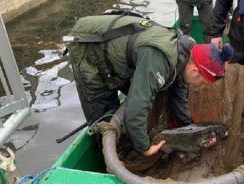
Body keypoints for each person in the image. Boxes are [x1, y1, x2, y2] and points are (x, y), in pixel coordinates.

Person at [65, 14, 233, 157]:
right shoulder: (158, 59)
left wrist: (190, 130)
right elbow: (136, 107)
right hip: (88, 47)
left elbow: (179, 97)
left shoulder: (185, 57)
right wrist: (144, 147)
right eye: (203, 82)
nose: (200, 86)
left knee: (140, 97)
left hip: (121, 57)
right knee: (105, 118)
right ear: (196, 71)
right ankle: (108, 158)